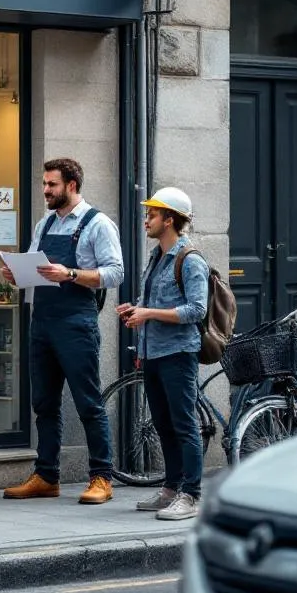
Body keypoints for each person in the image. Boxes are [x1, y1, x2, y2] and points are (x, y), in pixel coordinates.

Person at [2, 158, 124, 505]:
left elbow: (116, 273)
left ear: (71, 185)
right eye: (43, 184)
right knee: (43, 403)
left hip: (76, 324)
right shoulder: (44, 224)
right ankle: (46, 475)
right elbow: (33, 265)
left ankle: (102, 476)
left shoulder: (97, 223)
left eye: (51, 185)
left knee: (89, 403)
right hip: (42, 322)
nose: (45, 190)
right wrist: (16, 273)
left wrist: (70, 273)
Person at [117, 187, 209, 522]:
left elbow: (197, 310)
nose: (146, 220)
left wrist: (150, 314)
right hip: (153, 353)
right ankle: (171, 489)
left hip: (178, 354)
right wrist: (137, 310)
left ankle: (192, 494)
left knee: (184, 425)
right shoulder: (157, 257)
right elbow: (157, 305)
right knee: (163, 425)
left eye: (152, 215)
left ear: (169, 219)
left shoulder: (190, 259)